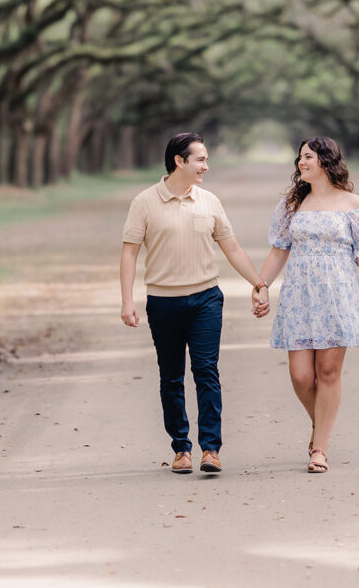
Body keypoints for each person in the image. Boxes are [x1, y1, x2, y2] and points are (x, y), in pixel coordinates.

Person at [120, 132, 268, 474]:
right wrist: (127, 300)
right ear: (179, 161)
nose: (206, 166)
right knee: (171, 377)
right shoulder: (144, 202)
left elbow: (232, 248)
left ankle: (211, 449)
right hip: (163, 302)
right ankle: (181, 449)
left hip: (205, 299)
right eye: (200, 159)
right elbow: (129, 252)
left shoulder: (210, 201)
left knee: (206, 371)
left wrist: (258, 283)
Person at [255, 137, 359, 473]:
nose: (300, 162)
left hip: (338, 296)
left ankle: (319, 447)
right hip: (299, 297)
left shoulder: (353, 204)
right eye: (299, 157)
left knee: (328, 373)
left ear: (325, 160)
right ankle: (320, 424)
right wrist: (261, 286)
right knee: (301, 376)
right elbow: (279, 250)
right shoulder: (293, 204)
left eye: (307, 157)